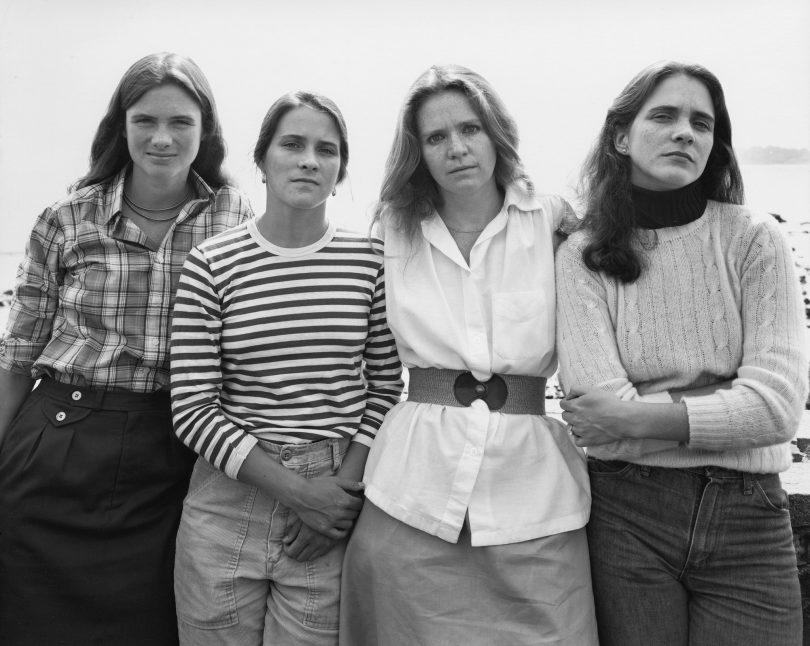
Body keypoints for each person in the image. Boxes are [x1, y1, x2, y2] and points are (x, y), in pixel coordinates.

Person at [339, 65, 597, 645]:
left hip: (533, 496)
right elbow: (362, 359)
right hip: (412, 492)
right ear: (418, 153)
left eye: (470, 129)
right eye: (436, 137)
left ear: (495, 133)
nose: (456, 147)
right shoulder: (392, 232)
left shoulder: (552, 222)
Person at [0, 52, 252, 645]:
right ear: (122, 125)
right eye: (145, 121)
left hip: (174, 452)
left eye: (181, 122)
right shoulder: (66, 218)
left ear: (206, 131)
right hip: (59, 444)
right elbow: (17, 357)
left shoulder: (236, 218)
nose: (162, 138)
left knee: (155, 623)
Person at [556, 60, 807, 646]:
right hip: (627, 513)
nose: (684, 133)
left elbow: (777, 409)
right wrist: (725, 397)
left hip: (750, 518)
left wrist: (635, 415)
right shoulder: (584, 255)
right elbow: (596, 418)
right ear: (621, 137)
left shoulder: (754, 238)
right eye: (664, 116)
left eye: (702, 123)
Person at [170, 90, 403, 646]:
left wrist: (339, 498)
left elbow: (385, 389)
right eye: (292, 145)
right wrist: (300, 493)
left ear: (340, 170)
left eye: (326, 150)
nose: (309, 161)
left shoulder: (371, 262)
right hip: (228, 505)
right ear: (262, 159)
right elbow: (192, 409)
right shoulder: (211, 263)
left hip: (333, 500)